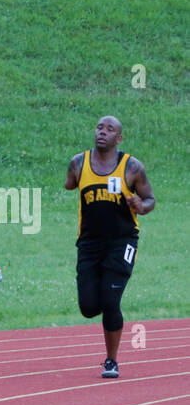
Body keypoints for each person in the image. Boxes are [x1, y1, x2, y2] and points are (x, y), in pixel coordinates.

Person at [64, 115, 155, 378]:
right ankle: (105, 297)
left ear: (119, 137)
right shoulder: (78, 163)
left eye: (109, 129)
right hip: (90, 243)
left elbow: (150, 199)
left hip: (122, 242)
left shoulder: (132, 167)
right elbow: (70, 184)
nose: (102, 132)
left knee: (110, 301)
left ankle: (111, 361)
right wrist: (71, 182)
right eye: (99, 127)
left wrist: (142, 206)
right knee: (89, 307)